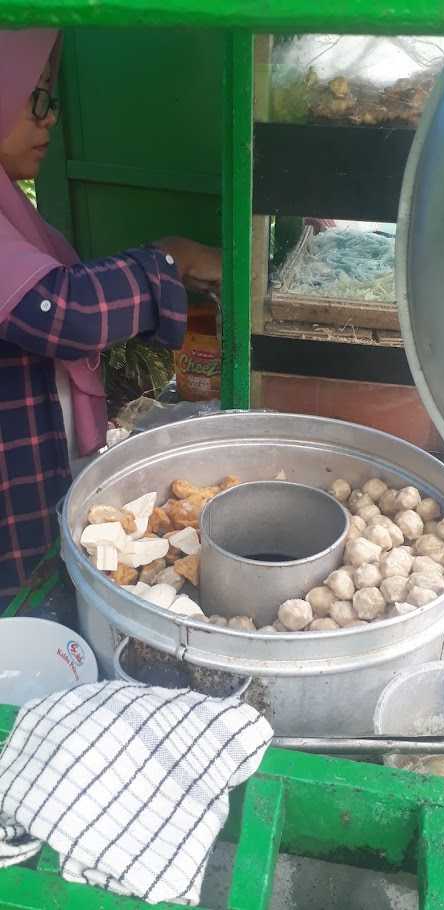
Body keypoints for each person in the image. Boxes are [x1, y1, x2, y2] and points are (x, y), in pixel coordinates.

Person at [0, 29, 222, 609]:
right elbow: (59, 310)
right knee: (22, 612)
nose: (49, 120)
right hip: (10, 488)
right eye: (36, 97)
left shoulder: (11, 207)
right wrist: (169, 261)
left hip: (32, 460)